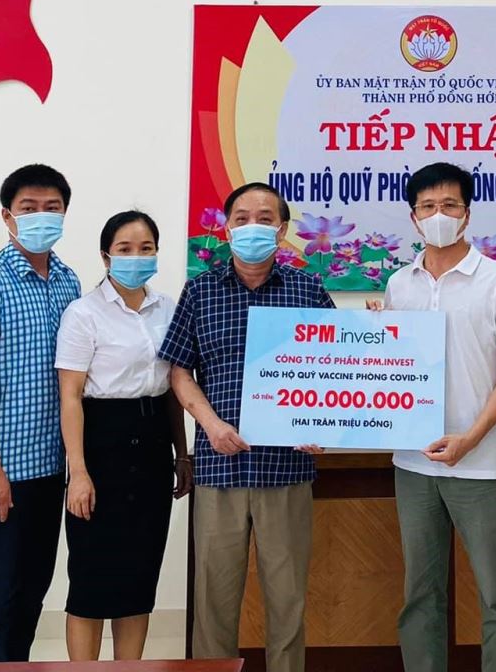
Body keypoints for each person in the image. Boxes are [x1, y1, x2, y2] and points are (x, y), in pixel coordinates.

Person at [160, 182, 335, 672]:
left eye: (264, 218)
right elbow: (178, 371)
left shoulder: (307, 288)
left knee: (288, 601)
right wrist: (211, 425)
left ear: (281, 230)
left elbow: (337, 366)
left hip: (287, 469)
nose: (252, 227)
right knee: (213, 600)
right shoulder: (200, 290)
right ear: (226, 228)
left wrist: (323, 423)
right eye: (241, 218)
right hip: (221, 468)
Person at [378, 162, 496, 672]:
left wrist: (470, 437)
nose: (438, 214)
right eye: (427, 206)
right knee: (420, 595)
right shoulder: (399, 283)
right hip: (413, 461)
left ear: (467, 213)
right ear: (413, 217)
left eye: (449, 205)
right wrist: (372, 336)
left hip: (481, 463)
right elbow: (390, 368)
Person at [0, 164, 82, 663]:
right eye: (29, 208)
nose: (41, 216)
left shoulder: (68, 281)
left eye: (52, 208)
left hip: (47, 469)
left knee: (28, 593)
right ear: (8, 217)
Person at [56, 210, 193, 661]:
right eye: (125, 249)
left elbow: (173, 388)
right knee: (91, 577)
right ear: (105, 256)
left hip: (153, 445)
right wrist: (78, 473)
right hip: (101, 446)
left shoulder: (168, 309)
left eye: (146, 248)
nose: (137, 257)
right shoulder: (83, 313)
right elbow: (70, 396)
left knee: (139, 575)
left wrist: (182, 453)